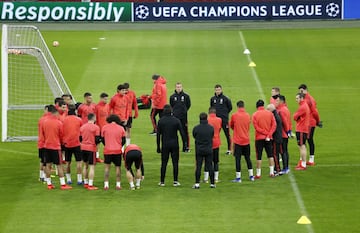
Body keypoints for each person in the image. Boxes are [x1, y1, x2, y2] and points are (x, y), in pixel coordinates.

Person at [42, 105, 72, 190]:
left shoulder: (45, 122)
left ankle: (49, 184)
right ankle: (62, 184)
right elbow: (61, 135)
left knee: (48, 165)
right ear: (55, 113)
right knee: (59, 165)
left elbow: (43, 134)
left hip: (47, 146)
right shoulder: (58, 123)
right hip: (56, 146)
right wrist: (63, 143)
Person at [156, 104, 186, 187]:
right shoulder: (176, 120)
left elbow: (158, 135)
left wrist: (158, 146)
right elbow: (182, 133)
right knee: (175, 163)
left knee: (164, 163)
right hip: (174, 144)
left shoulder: (161, 121)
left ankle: (162, 181)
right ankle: (175, 181)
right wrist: (185, 145)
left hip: (165, 144)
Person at [229, 100, 254, 182]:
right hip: (246, 140)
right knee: (248, 158)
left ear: (237, 107)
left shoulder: (234, 115)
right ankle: (251, 176)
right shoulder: (247, 115)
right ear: (243, 106)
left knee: (238, 159)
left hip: (238, 141)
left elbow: (231, 125)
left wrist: (236, 130)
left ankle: (238, 177)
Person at [252, 100, 276, 179]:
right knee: (270, 155)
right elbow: (274, 125)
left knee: (259, 156)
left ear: (256, 106)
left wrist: (264, 133)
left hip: (259, 138)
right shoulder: (270, 113)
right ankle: (272, 172)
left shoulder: (255, 115)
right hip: (269, 138)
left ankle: (258, 174)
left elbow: (256, 127)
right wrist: (269, 134)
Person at [298, 84, 322, 166]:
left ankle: (311, 159)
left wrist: (318, 121)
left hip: (310, 123)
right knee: (304, 140)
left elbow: (315, 112)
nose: (300, 93)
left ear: (305, 90)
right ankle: (303, 159)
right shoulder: (303, 98)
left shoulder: (310, 99)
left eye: (301, 91)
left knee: (309, 139)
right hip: (305, 123)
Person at [101, 114, 126, 190]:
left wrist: (107, 144)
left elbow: (102, 139)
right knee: (118, 167)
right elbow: (124, 140)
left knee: (107, 168)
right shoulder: (121, 128)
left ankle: (106, 184)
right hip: (117, 151)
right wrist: (119, 145)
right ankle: (118, 184)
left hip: (107, 150)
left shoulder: (104, 127)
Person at [192, 112, 215, 189]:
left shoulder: (196, 128)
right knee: (210, 166)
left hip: (199, 149)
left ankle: (197, 183)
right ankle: (212, 183)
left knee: (198, 166)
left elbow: (194, 135)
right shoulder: (211, 128)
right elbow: (212, 136)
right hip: (208, 149)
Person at [62, 104, 83, 185]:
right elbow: (81, 132)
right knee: (79, 162)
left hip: (67, 144)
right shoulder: (79, 120)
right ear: (75, 110)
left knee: (67, 162)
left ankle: (68, 179)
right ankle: (79, 180)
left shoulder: (64, 120)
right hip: (77, 143)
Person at [80, 113, 101, 190]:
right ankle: (90, 184)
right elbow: (97, 139)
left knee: (85, 166)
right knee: (92, 167)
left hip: (83, 148)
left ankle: (85, 183)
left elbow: (80, 138)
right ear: (94, 118)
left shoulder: (82, 127)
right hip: (91, 148)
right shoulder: (96, 127)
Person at [210, 84, 232, 155]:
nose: (218, 91)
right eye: (216, 90)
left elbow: (230, 107)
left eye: (219, 90)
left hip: (224, 120)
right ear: (215, 90)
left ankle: (229, 149)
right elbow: (211, 108)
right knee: (214, 134)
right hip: (216, 121)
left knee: (227, 134)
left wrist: (225, 114)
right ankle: (213, 147)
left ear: (221, 90)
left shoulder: (226, 98)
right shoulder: (212, 99)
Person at [170, 82, 191, 152]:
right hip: (175, 118)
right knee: (173, 133)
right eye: (177, 87)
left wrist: (184, 111)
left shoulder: (186, 96)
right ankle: (175, 147)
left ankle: (186, 147)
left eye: (180, 87)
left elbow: (188, 105)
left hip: (183, 118)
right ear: (175, 88)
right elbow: (172, 106)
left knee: (184, 132)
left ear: (182, 87)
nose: (178, 88)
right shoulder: (172, 97)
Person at [293, 93, 310, 171]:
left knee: (302, 146)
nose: (296, 100)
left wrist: (296, 116)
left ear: (301, 98)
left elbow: (295, 117)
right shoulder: (304, 105)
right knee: (302, 146)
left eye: (297, 98)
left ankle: (303, 164)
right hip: (304, 129)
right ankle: (302, 162)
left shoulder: (302, 107)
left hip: (301, 129)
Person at [275, 95, 292, 174]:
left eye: (277, 101)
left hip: (282, 134)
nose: (276, 102)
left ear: (281, 101)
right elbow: (289, 121)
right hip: (286, 134)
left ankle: (285, 168)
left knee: (283, 151)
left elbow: (285, 122)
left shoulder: (281, 110)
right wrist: (289, 131)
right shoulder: (286, 109)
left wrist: (287, 131)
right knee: (285, 150)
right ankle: (286, 167)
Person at [205, 107, 222, 183]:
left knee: (207, 161)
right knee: (216, 161)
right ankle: (216, 178)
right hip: (216, 142)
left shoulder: (207, 120)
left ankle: (206, 178)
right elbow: (219, 129)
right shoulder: (219, 120)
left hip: (208, 142)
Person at [266, 104, 283, 175]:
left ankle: (278, 169)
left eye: (267, 109)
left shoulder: (274, 116)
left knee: (275, 154)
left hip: (276, 138)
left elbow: (274, 127)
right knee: (276, 153)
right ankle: (277, 168)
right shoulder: (276, 115)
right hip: (278, 137)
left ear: (271, 110)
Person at [95, 92, 110, 163]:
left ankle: (107, 156)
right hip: (99, 129)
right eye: (105, 99)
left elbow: (108, 116)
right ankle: (96, 157)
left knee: (107, 143)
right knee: (97, 143)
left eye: (107, 99)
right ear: (101, 99)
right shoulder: (97, 107)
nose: (106, 100)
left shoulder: (107, 106)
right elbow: (95, 119)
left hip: (106, 129)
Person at [37, 105, 50, 183]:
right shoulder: (46, 120)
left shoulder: (41, 119)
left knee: (42, 160)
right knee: (45, 161)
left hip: (41, 143)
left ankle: (41, 176)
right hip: (46, 143)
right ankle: (45, 177)